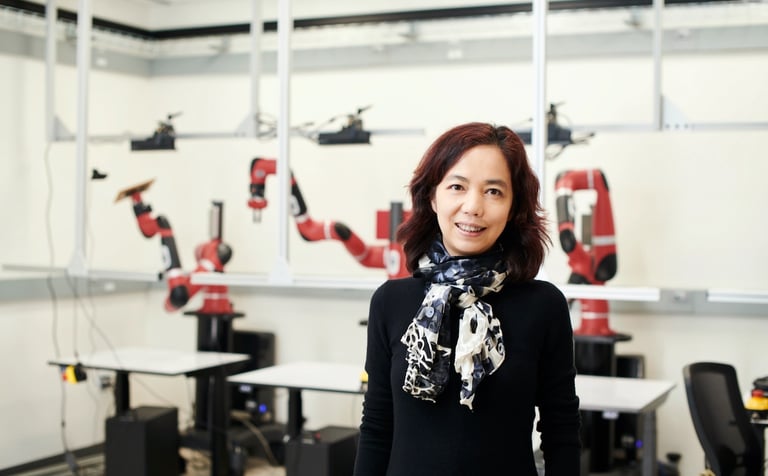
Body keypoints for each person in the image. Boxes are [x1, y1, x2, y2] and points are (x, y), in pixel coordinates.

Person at [353, 122, 581, 475]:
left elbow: (561, 428)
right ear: (433, 197)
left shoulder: (543, 305)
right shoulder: (390, 301)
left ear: (513, 207)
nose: (473, 206)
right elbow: (377, 427)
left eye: (493, 191)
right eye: (457, 187)